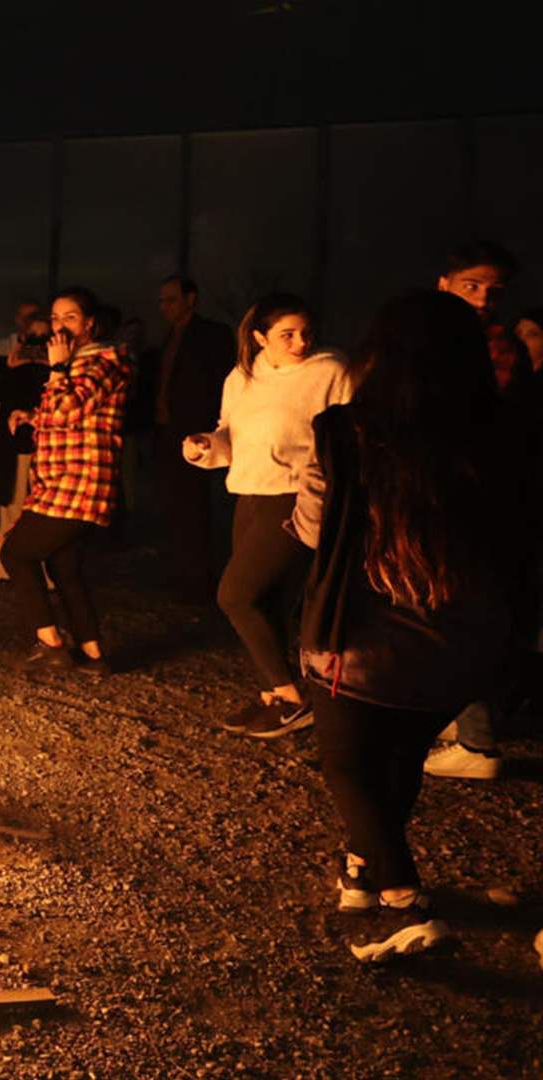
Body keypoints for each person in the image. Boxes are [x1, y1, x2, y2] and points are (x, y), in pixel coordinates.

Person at [290, 291, 515, 962]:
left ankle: (405, 892)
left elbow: (311, 529)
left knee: (348, 765)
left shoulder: (346, 432)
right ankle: (361, 870)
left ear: (377, 356)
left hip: (360, 644)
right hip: (462, 643)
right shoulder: (502, 435)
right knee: (401, 757)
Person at [184, 294, 353, 739]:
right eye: (287, 334)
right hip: (249, 492)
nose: (300, 342)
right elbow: (229, 430)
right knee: (268, 600)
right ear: (260, 337)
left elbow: (348, 437)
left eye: (305, 333)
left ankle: (294, 698)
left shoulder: (330, 371)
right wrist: (207, 443)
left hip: (294, 496)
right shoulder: (242, 377)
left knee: (236, 595)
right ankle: (276, 696)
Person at [423, 242, 533, 780]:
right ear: (444, 282)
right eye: (472, 285)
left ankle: (478, 742)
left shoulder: (487, 345)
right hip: (461, 491)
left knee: (453, 610)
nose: (484, 298)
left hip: (462, 496)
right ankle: (461, 719)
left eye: (493, 290)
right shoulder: (444, 338)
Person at [1, 287, 131, 677]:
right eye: (55, 318)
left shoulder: (104, 362)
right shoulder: (78, 363)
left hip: (79, 484)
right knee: (63, 566)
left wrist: (57, 370)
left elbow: (68, 408)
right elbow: (64, 416)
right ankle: (92, 654)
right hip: (63, 481)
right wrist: (30, 417)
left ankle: (51, 644)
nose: (59, 326)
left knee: (16, 554)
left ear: (89, 322)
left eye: (70, 317)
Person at [144, 276, 235, 602]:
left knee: (193, 505)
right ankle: (185, 571)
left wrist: (211, 429)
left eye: (171, 299)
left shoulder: (211, 335)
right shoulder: (171, 337)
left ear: (190, 299)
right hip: (168, 430)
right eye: (162, 301)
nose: (164, 307)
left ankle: (199, 577)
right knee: (174, 503)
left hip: (195, 432)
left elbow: (220, 383)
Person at [0, 316, 50, 579]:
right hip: (10, 446)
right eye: (31, 337)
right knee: (10, 507)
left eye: (42, 338)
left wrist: (50, 364)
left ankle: (40, 570)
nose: (35, 345)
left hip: (39, 446)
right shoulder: (6, 364)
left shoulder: (55, 367)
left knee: (37, 510)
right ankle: (4, 566)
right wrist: (12, 363)